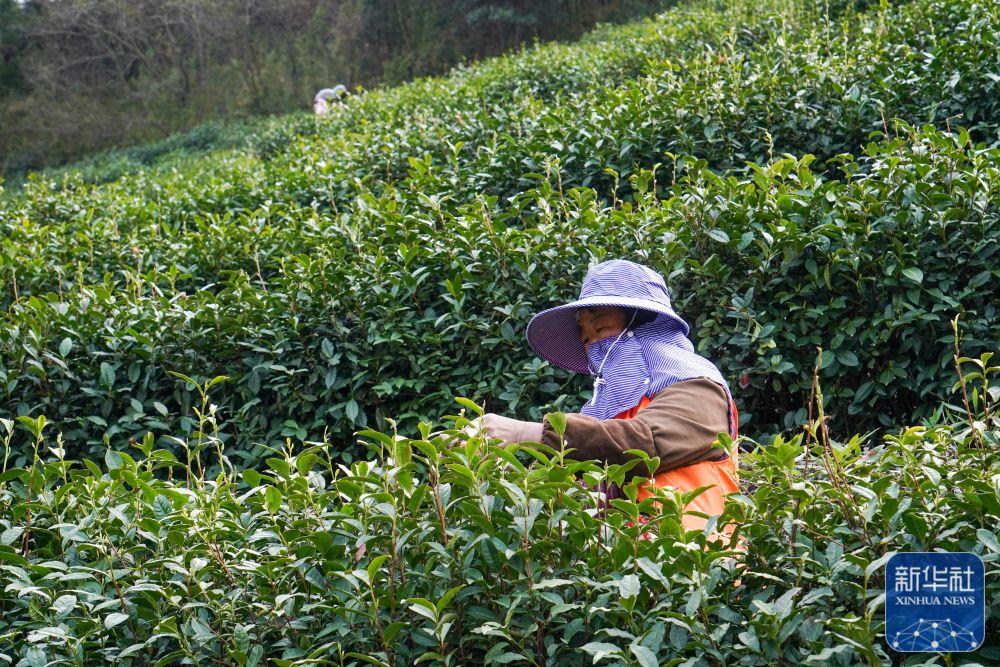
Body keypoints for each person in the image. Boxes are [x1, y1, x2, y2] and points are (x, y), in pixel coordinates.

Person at [480, 259, 741, 538]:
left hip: (694, 560)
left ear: (643, 326)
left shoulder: (698, 386)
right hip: (624, 569)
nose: (594, 345)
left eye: (602, 329)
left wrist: (528, 433)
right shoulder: (611, 409)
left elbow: (644, 443)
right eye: (586, 338)